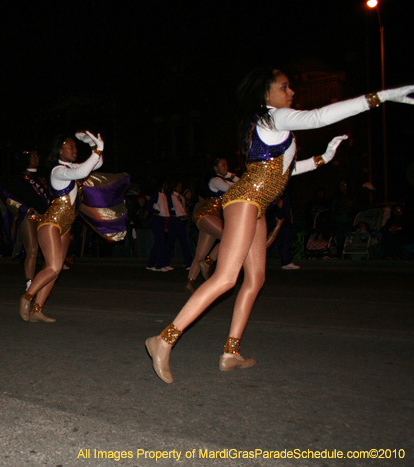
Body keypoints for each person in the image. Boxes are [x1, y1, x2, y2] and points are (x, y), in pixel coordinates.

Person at [145, 67, 413, 383]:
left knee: (255, 279)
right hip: (245, 201)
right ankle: (163, 340)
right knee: (226, 278)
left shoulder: (272, 127)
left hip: (256, 205)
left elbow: (284, 171)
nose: (292, 92)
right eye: (285, 87)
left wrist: (323, 158)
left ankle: (231, 352)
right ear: (266, 95)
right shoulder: (271, 117)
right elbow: (317, 117)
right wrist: (380, 96)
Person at [19, 132, 104, 322]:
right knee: (54, 267)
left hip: (65, 226)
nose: (75, 150)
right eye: (71, 147)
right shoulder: (58, 171)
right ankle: (26, 298)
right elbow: (83, 172)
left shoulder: (70, 167)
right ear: (60, 149)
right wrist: (97, 149)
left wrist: (93, 147)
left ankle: (37, 310)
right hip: (51, 224)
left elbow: (96, 164)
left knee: (55, 272)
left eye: (75, 147)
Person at [185, 158, 239, 292]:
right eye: (223, 165)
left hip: (213, 218)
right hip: (206, 215)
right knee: (231, 237)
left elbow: (242, 186)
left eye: (227, 164)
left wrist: (230, 176)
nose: (226, 166)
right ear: (215, 168)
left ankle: (189, 282)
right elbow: (239, 188)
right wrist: (232, 176)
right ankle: (208, 262)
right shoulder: (216, 181)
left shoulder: (224, 180)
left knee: (200, 253)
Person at [8, 151, 50, 290]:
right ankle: (29, 284)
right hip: (29, 216)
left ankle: (45, 281)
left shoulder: (44, 177)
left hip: (45, 216)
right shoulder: (20, 179)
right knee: (32, 249)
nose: (36, 159)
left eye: (37, 156)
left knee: (47, 250)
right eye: (32, 156)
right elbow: (12, 200)